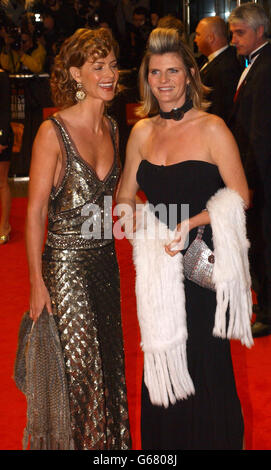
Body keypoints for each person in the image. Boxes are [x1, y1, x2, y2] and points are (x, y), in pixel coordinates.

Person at [117, 27, 252, 450]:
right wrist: (135, 217)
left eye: (173, 70)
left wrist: (192, 223)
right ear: (147, 79)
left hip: (200, 262)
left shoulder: (212, 129)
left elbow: (241, 196)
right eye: (156, 72)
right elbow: (123, 195)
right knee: (163, 362)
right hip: (159, 270)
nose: (164, 81)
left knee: (205, 364)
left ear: (190, 75)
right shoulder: (141, 132)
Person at [25, 27, 131, 450]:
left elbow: (114, 208)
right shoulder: (53, 132)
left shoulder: (114, 129)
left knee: (109, 369)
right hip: (65, 271)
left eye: (111, 64)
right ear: (75, 74)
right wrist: (37, 282)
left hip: (105, 265)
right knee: (79, 374)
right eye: (97, 66)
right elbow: (34, 212)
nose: (108, 74)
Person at [228, 3, 271, 338]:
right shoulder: (255, 64)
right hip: (255, 172)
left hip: (261, 177)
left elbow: (260, 132)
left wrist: (251, 182)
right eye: (232, 33)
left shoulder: (266, 67)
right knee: (257, 242)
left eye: (240, 33)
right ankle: (264, 304)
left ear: (259, 31)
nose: (234, 39)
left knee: (263, 243)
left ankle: (269, 312)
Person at [194, 16, 242, 123]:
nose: (195, 39)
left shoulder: (226, 67)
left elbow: (221, 111)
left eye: (198, 35)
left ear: (211, 38)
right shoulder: (210, 59)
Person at [0, 68, 13, 245]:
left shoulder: (1, 76)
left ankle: (4, 225)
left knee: (1, 182)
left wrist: (2, 137)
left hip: (0, 133)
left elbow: (4, 109)